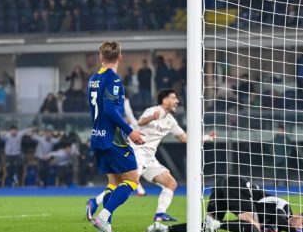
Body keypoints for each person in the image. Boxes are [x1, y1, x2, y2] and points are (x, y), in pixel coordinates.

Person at [87, 89, 212, 222]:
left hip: (150, 158)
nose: (177, 101)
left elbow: (185, 138)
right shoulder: (152, 110)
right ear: (164, 100)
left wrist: (207, 138)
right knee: (126, 184)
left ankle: (160, 214)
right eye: (174, 98)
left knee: (170, 183)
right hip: (137, 153)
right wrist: (152, 117)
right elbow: (140, 122)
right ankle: (95, 204)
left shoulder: (171, 121)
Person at [86, 41, 144, 232]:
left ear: (101, 58)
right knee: (133, 180)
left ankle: (105, 229)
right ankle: (103, 216)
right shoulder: (114, 80)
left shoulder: (93, 79)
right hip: (114, 138)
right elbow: (111, 109)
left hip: (97, 136)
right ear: (120, 57)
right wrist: (130, 131)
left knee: (115, 182)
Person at [146, 176, 303, 232]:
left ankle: (165, 229)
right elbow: (280, 219)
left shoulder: (276, 221)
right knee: (253, 227)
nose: (300, 225)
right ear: (297, 214)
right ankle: (218, 224)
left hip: (223, 187)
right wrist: (295, 231)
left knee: (205, 228)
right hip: (236, 185)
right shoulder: (285, 207)